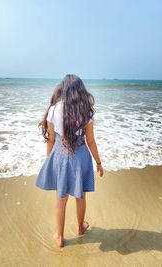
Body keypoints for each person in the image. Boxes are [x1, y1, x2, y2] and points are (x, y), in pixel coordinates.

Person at [35, 74, 104, 248]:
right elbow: (90, 141)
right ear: (81, 91)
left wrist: (50, 160)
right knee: (80, 196)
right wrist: (98, 162)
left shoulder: (53, 109)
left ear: (63, 89)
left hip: (60, 157)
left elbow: (51, 140)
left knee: (61, 198)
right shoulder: (86, 111)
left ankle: (59, 236)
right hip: (81, 158)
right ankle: (80, 228)